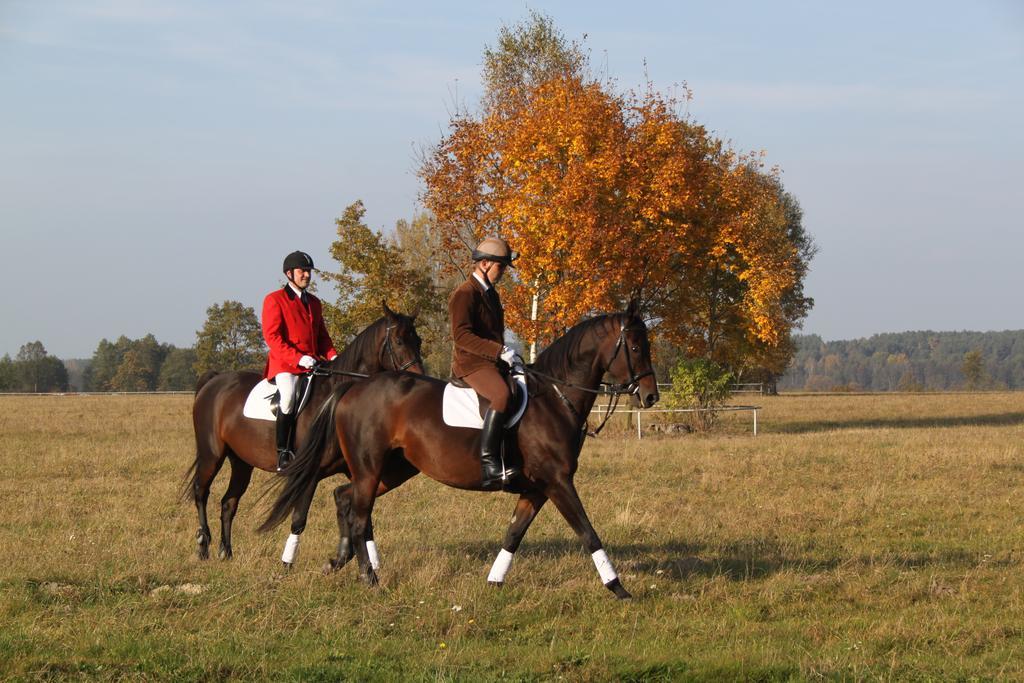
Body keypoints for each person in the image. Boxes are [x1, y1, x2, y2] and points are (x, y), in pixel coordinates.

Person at [449, 236, 522, 490]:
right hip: (471, 364)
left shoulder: (490, 294)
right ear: (484, 264)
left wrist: (506, 354)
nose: (502, 273)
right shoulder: (465, 293)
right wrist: (498, 350)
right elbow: (462, 336)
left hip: (491, 361)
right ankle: (489, 463)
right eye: (500, 267)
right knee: (501, 395)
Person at [262, 250, 338, 471]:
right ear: (289, 274)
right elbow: (272, 337)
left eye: (308, 271)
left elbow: (322, 336)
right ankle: (283, 453)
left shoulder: (314, 302)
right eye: (302, 271)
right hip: (285, 365)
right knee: (288, 397)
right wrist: (298, 358)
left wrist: (334, 356)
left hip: (313, 363)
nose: (306, 275)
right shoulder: (275, 300)